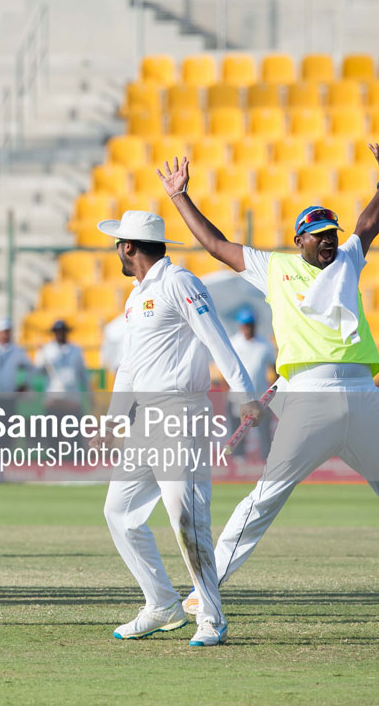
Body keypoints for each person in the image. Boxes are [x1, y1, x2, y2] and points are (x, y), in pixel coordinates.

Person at [160, 148, 379, 618]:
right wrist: (180, 197)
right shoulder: (275, 267)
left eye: (331, 234)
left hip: (362, 396)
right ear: (298, 239)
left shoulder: (348, 258)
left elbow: (367, 226)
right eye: (318, 235)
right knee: (265, 498)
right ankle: (207, 585)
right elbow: (217, 245)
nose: (328, 241)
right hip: (308, 400)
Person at [98, 209, 258, 648]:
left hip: (182, 414)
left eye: (118, 244)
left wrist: (243, 393)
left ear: (128, 246)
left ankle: (212, 615)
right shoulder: (135, 297)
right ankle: (162, 604)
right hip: (145, 419)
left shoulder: (179, 281)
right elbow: (130, 366)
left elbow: (215, 338)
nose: (116, 250)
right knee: (120, 513)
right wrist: (114, 418)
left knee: (186, 516)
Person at [227, 309, 277, 459]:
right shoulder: (233, 343)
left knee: (264, 432)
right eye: (245, 325)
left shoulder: (265, 345)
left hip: (260, 396)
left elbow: (274, 368)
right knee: (237, 432)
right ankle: (238, 465)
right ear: (240, 326)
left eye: (250, 325)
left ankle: (266, 462)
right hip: (237, 396)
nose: (248, 328)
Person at [37, 319, 89, 396]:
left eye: (62, 331)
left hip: (72, 395)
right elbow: (40, 370)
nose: (60, 334)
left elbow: (83, 374)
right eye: (57, 331)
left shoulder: (76, 350)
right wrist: (40, 353)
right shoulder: (47, 350)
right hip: (53, 394)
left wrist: (90, 393)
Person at [0, 318, 33, 394]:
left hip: (9, 394)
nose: (5, 334)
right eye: (3, 331)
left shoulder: (18, 350)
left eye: (8, 331)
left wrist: (24, 383)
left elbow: (29, 367)